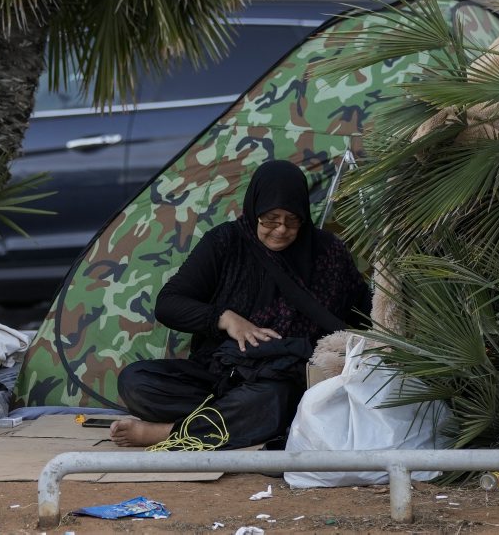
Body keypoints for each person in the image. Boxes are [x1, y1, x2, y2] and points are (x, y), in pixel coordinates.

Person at [111, 159, 371, 450]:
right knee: (136, 381)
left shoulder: (329, 253)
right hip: (220, 374)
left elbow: (362, 315)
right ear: (255, 209)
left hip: (283, 380)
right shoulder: (225, 242)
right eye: (270, 219)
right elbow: (169, 304)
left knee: (272, 400)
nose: (281, 230)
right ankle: (234, 418)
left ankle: (167, 433)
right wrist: (225, 318)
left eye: (292, 220)